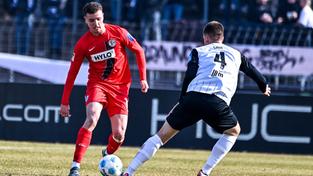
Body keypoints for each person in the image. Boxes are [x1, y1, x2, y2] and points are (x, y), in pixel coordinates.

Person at [122, 21, 271, 176]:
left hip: (193, 98)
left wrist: (182, 100)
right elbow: (251, 70)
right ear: (222, 37)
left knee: (160, 137)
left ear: (205, 38)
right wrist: (263, 85)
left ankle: (129, 172)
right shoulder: (236, 54)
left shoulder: (198, 51)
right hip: (217, 101)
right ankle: (205, 172)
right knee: (233, 131)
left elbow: (189, 76)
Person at [59, 2, 149, 176]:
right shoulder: (83, 44)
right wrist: (64, 102)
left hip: (121, 87)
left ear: (103, 17)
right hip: (97, 85)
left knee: (119, 135)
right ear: (85, 20)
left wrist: (143, 78)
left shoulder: (118, 32)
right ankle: (75, 167)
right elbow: (72, 73)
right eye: (92, 20)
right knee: (92, 118)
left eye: (98, 19)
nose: (96, 23)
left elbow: (139, 51)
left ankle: (107, 155)